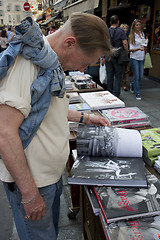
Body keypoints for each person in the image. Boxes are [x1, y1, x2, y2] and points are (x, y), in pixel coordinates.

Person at [0, 13, 112, 240]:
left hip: (48, 178)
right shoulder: (27, 63)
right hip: (33, 184)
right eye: (84, 62)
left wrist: (86, 118)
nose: (82, 69)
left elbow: (50, 109)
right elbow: (4, 132)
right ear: (70, 42)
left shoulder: (49, 61)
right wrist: (30, 195)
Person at [105, 15, 128, 97]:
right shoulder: (121, 31)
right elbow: (125, 43)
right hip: (119, 56)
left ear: (110, 22)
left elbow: (104, 44)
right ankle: (116, 94)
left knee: (109, 75)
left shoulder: (106, 31)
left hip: (108, 55)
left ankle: (110, 93)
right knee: (118, 76)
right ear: (118, 22)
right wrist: (126, 51)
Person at [128, 19, 146, 101]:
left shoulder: (142, 34)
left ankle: (132, 84)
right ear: (134, 26)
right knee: (136, 76)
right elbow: (131, 49)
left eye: (139, 24)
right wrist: (139, 48)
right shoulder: (132, 35)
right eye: (137, 25)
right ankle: (137, 93)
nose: (138, 26)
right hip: (134, 57)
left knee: (141, 76)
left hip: (141, 57)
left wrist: (145, 44)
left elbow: (143, 44)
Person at [120, 23, 129, 91]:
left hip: (127, 55)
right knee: (123, 70)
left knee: (125, 70)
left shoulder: (128, 36)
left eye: (126, 28)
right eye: (124, 28)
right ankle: (124, 83)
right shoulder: (120, 36)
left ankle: (122, 82)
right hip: (122, 54)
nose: (125, 30)